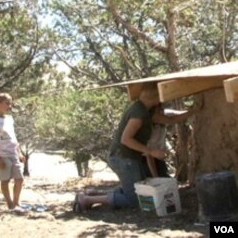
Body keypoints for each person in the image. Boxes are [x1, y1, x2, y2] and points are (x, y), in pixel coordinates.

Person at [73, 83, 199, 212]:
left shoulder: (144, 109)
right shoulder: (139, 115)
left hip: (127, 158)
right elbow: (126, 139)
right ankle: (87, 200)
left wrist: (193, 111)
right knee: (135, 200)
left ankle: (92, 193)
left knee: (140, 190)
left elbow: (169, 119)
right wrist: (151, 151)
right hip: (123, 158)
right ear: (156, 98)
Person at [0, 92, 25, 211]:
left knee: (19, 179)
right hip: (1, 154)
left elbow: (13, 137)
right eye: (7, 103)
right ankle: (10, 203)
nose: (10, 106)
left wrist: (19, 152)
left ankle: (16, 202)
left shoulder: (9, 118)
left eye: (10, 103)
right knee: (5, 180)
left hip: (13, 153)